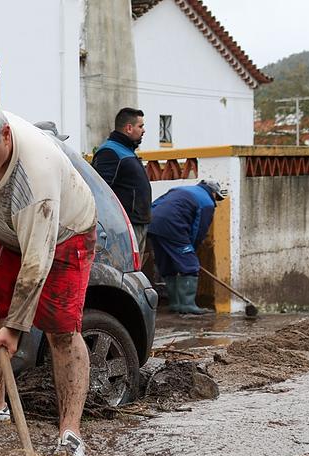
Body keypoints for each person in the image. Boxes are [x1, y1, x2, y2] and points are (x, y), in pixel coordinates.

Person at [0, 99, 98, 456]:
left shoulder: (35, 177)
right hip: (9, 230)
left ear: (6, 137)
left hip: (64, 236)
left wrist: (14, 328)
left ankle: (70, 434)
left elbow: (36, 263)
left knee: (61, 331)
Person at [147, 179, 224, 315]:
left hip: (152, 224)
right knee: (190, 265)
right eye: (216, 197)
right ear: (213, 193)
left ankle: (175, 304)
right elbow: (199, 229)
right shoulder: (207, 202)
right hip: (172, 225)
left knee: (166, 263)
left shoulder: (180, 189)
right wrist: (190, 250)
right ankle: (187, 305)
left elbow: (156, 204)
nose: (216, 200)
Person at [92, 107, 151, 254]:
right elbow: (100, 190)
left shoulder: (126, 151)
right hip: (123, 227)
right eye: (141, 126)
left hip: (137, 224)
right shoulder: (109, 152)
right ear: (129, 128)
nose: (143, 131)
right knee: (125, 269)